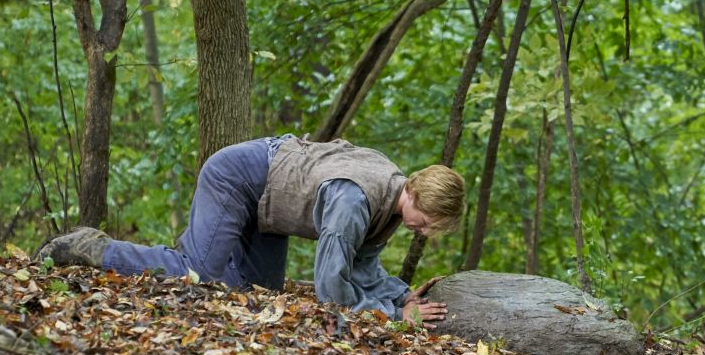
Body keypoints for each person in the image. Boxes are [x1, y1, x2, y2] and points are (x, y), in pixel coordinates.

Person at [36, 135, 462, 326]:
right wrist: (394, 317)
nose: (422, 229)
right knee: (197, 273)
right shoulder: (355, 200)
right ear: (413, 188)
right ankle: (93, 249)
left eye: (430, 227)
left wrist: (398, 293)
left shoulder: (390, 201)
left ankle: (198, 250)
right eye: (424, 217)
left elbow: (361, 264)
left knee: (257, 294)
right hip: (237, 178)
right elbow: (331, 287)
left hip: (268, 209)